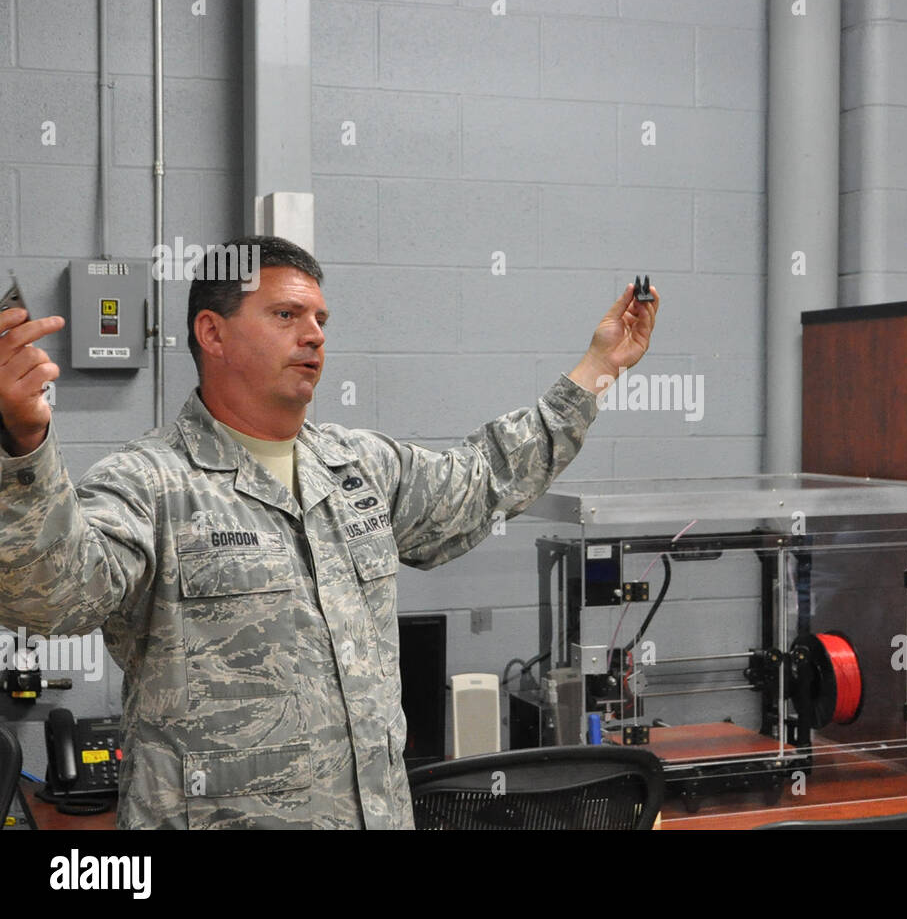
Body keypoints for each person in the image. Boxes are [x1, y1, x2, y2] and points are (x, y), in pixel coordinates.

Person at [0, 235, 659, 828]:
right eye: (286, 315)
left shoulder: (358, 467)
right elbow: (52, 596)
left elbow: (484, 479)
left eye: (320, 318)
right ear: (213, 332)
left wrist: (599, 368)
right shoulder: (151, 483)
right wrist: (24, 439)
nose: (313, 334)